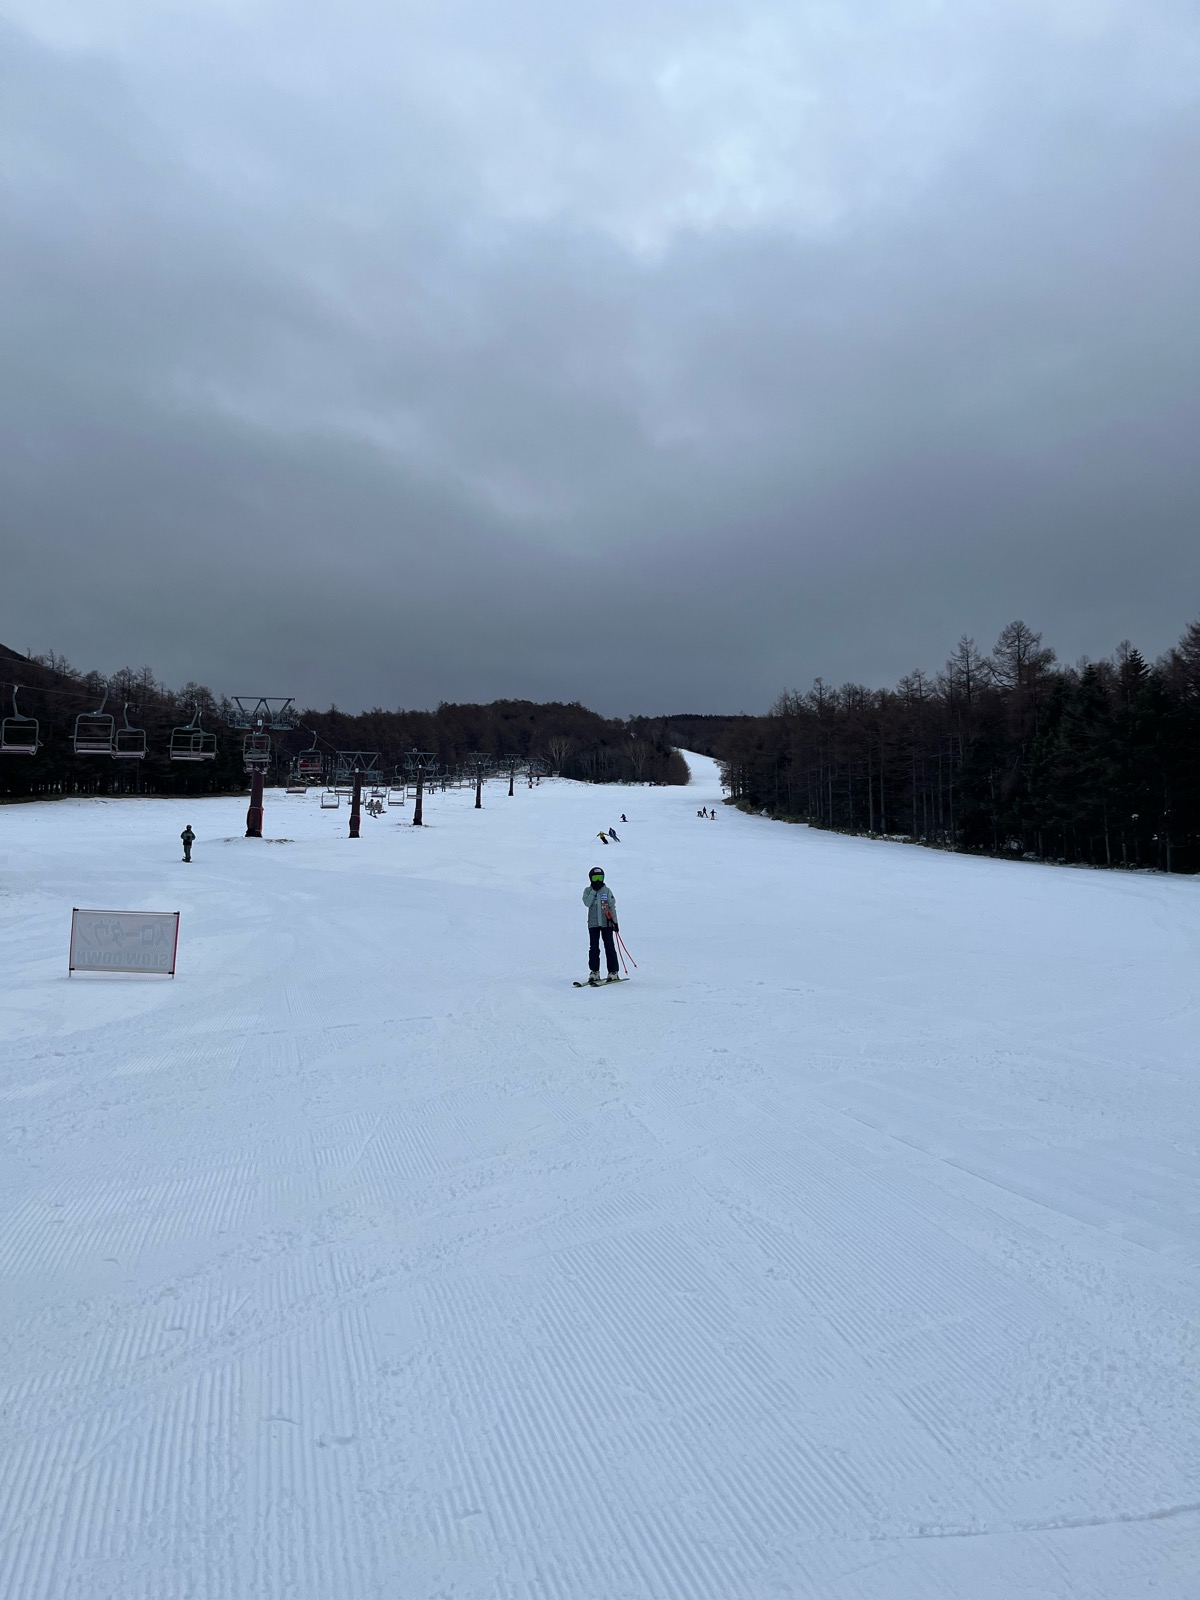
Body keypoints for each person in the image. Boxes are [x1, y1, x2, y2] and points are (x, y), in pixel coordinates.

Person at [582, 866, 620, 984]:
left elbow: (612, 906)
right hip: (593, 924)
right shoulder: (588, 891)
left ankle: (613, 972)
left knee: (609, 946)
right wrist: (594, 890)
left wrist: (615, 922)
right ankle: (594, 972)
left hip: (606, 923)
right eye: (595, 878)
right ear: (591, 879)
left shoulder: (606, 891)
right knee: (594, 948)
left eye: (600, 877)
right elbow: (587, 903)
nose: (598, 880)